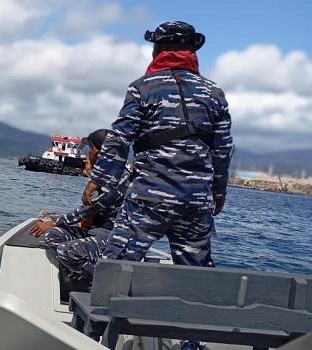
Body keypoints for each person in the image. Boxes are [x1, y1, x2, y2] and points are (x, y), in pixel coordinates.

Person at [85, 22, 233, 272]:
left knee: (115, 268)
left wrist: (99, 180)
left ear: (158, 49)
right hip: (196, 202)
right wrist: (218, 192)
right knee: (197, 275)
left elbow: (120, 138)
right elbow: (223, 151)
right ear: (193, 51)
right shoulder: (214, 93)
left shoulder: (142, 87)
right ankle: (197, 308)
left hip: (148, 197)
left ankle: (104, 308)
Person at [30, 129, 129, 282]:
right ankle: (83, 274)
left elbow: (86, 210)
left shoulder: (115, 179)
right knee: (53, 236)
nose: (87, 153)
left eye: (90, 148)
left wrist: (54, 221)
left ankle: (105, 281)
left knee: (65, 251)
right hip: (97, 231)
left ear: (97, 151)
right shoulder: (107, 175)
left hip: (111, 237)